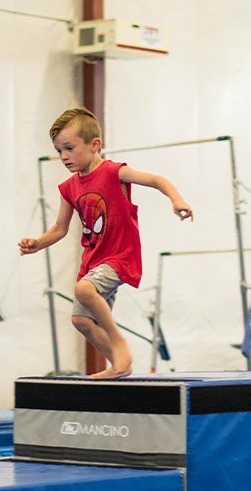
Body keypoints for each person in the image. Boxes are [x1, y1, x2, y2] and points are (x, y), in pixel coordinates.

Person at [18, 108, 193, 379]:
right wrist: (38, 243)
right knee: (81, 321)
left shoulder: (114, 173)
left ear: (94, 144)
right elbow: (60, 228)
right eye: (59, 150)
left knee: (84, 289)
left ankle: (118, 341)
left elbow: (157, 180)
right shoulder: (69, 187)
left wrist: (177, 199)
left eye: (69, 148)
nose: (63, 156)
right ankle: (119, 366)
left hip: (120, 255)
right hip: (94, 259)